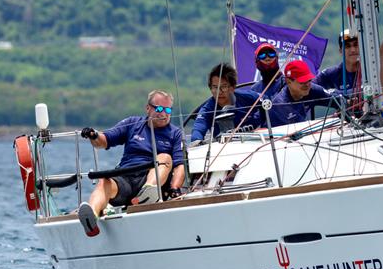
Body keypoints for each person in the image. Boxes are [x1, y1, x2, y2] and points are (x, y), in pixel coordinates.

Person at [78, 89, 185, 237]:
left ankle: (147, 194)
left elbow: (179, 165)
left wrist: (175, 188)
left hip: (152, 178)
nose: (164, 113)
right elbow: (104, 141)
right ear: (148, 108)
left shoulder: (175, 133)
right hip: (126, 177)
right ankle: (92, 219)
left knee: (165, 157)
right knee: (104, 183)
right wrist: (94, 135)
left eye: (168, 109)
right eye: (159, 108)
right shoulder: (132, 123)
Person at [191, 63, 263, 144]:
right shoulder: (207, 109)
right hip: (226, 149)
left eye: (224, 87)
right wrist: (196, 140)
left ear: (232, 88)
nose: (219, 92)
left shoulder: (249, 97)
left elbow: (268, 105)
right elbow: (198, 129)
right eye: (215, 87)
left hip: (256, 143)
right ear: (210, 88)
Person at [269, 60, 337, 127]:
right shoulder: (280, 103)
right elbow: (299, 128)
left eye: (309, 80)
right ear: (288, 81)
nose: (307, 85)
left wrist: (344, 103)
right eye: (302, 82)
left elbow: (337, 98)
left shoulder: (312, 89)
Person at [314, 29, 361, 96]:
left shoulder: (371, 70)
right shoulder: (332, 73)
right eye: (347, 46)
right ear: (340, 51)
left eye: (356, 45)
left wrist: (337, 93)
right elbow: (310, 87)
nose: (353, 50)